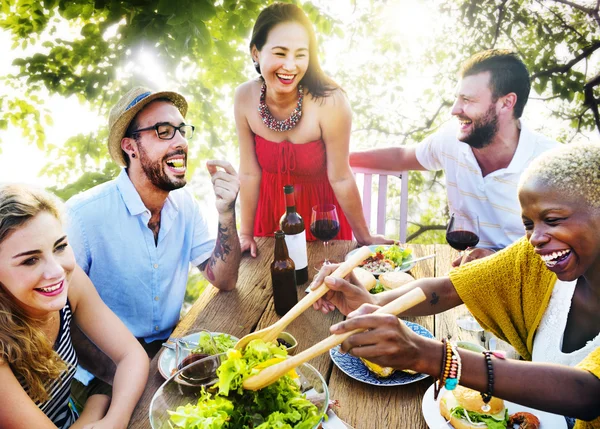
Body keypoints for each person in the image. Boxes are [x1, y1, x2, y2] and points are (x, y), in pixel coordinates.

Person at [312, 142, 600, 428]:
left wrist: (429, 355)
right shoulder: (535, 258)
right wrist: (374, 303)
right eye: (528, 223)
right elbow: (451, 288)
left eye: (552, 220)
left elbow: (589, 393)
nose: (536, 237)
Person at [64, 87, 241, 382]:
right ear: (130, 147)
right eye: (164, 131)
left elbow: (223, 279)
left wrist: (226, 213)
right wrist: (121, 375)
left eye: (182, 131)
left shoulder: (185, 206)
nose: (181, 142)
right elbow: (60, 317)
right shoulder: (83, 216)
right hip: (105, 370)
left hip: (172, 352)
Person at [350, 49, 560, 266]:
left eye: (467, 100)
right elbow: (402, 156)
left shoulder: (551, 164)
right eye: (458, 98)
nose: (454, 109)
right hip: (467, 272)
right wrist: (341, 159)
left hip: (528, 280)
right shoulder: (452, 139)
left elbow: (564, 248)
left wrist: (497, 262)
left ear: (506, 103)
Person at [235, 2, 393, 257]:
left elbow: (341, 176)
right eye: (280, 53)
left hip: (321, 219)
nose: (290, 66)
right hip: (270, 219)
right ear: (256, 52)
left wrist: (365, 237)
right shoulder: (244, 97)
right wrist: (245, 233)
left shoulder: (331, 101)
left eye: (300, 54)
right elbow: (249, 173)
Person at [0, 184, 148, 428]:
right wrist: (95, 407)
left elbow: (131, 355)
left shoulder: (69, 282)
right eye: (30, 260)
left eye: (59, 247)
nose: (56, 270)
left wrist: (114, 419)